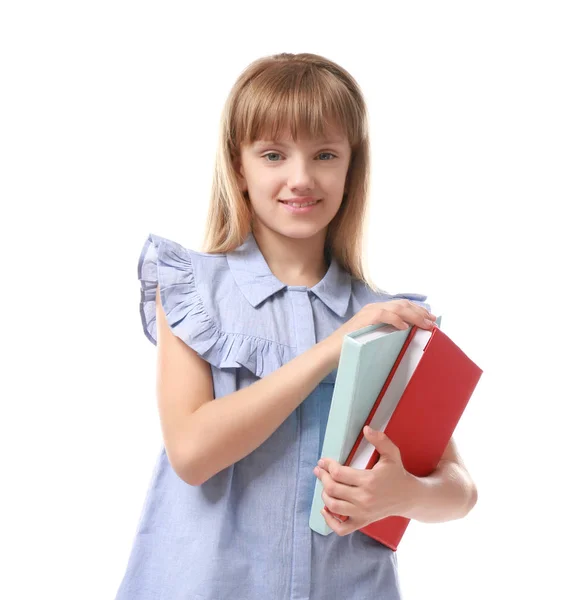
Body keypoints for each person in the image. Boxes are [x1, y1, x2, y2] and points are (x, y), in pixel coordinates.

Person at [115, 52, 478, 600]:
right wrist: (332, 349)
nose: (301, 179)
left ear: (352, 168)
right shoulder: (192, 288)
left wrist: (401, 494)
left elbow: (461, 489)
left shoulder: (385, 316)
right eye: (273, 154)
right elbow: (191, 453)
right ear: (239, 166)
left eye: (325, 154)